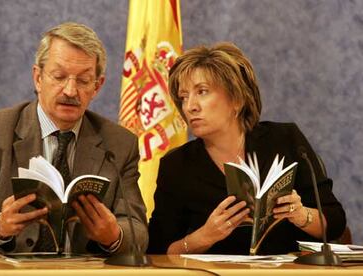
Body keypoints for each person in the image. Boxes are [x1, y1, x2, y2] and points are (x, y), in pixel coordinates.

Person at [0, 22, 148, 255]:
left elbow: (137, 232)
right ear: (38, 78)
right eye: (59, 76)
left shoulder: (120, 144)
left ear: (97, 86)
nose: (71, 91)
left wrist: (114, 236)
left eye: (83, 81)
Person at [147, 42, 346, 255]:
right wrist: (204, 236)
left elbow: (334, 222)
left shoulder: (284, 140)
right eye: (184, 97)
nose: (190, 106)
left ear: (237, 99)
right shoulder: (177, 165)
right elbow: (157, 250)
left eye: (202, 92)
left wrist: (301, 215)